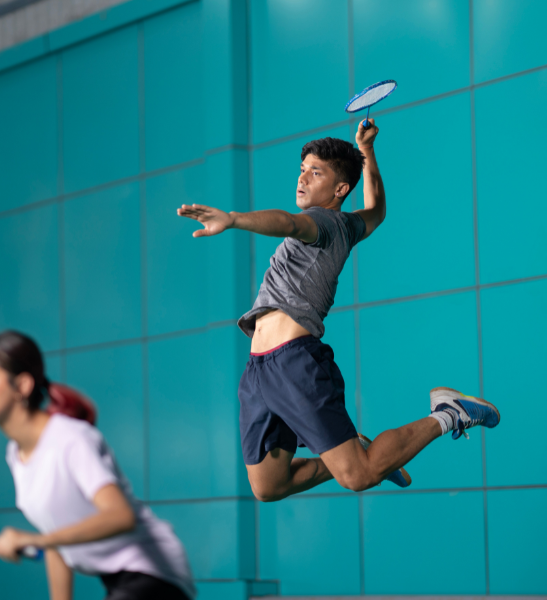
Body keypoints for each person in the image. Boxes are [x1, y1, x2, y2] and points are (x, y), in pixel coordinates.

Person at [177, 119, 500, 502]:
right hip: (260, 369)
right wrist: (367, 151)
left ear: (340, 189)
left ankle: (448, 413)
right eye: (302, 170)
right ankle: (363, 452)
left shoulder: (324, 223)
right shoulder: (348, 225)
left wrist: (233, 219)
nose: (303, 179)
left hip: (291, 362)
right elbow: (376, 210)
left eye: (316, 173)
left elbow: (287, 222)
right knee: (268, 486)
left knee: (359, 476)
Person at [0, 330, 196, 600]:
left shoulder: (71, 439)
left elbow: (121, 516)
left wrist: (34, 540)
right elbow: (57, 540)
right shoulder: (15, 454)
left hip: (155, 573)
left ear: (22, 385)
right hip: (117, 580)